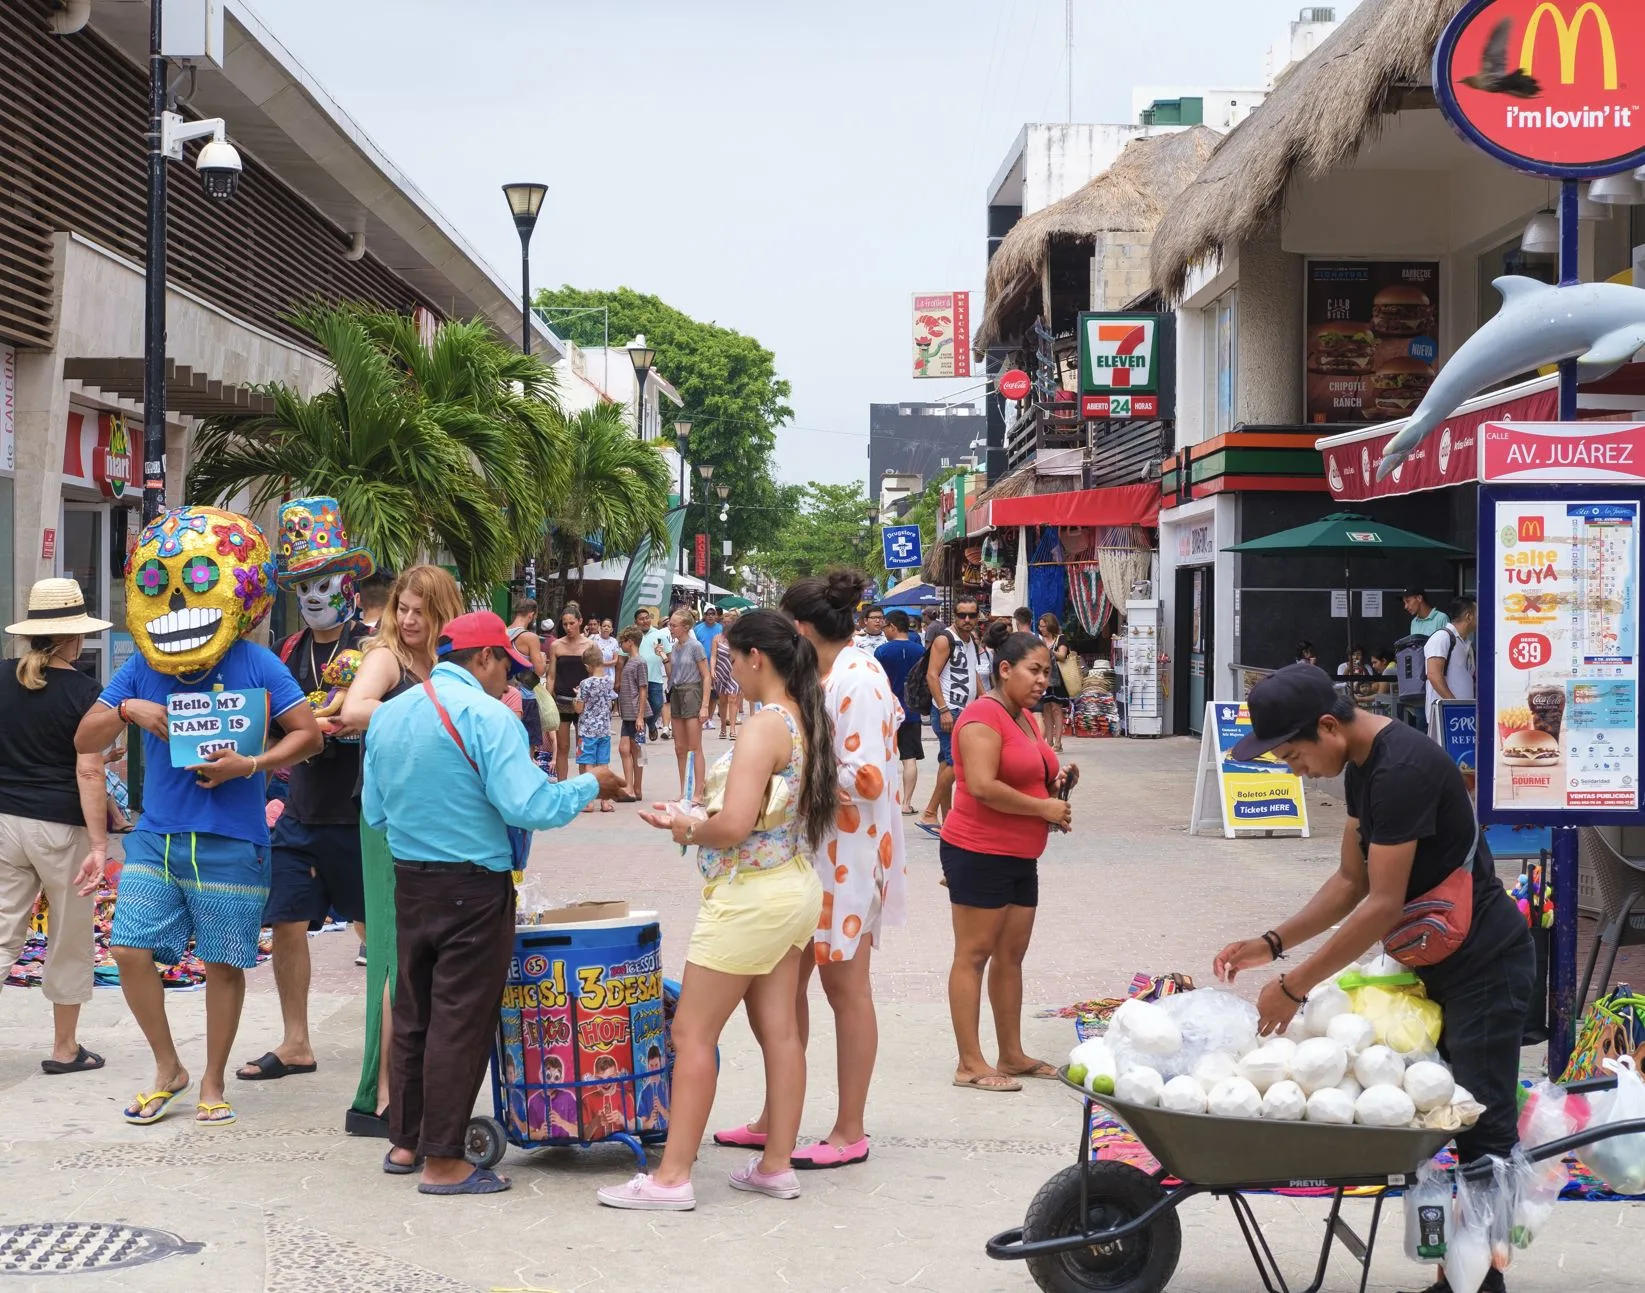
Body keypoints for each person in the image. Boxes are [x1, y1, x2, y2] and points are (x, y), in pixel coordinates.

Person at [1212, 663, 1532, 1293]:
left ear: (1328, 726)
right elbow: (1350, 882)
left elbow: (1382, 904)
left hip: (1485, 966)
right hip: (1435, 962)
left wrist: (1296, 983)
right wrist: (1270, 944)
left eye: (1291, 752)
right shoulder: (1363, 768)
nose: (1290, 768)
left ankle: (1480, 1281)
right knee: (1441, 1110)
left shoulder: (1402, 770)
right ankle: (1460, 1274)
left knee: (1483, 1125)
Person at [77, 506, 324, 1128]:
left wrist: (252, 764)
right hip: (158, 835)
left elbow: (310, 737)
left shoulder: (257, 662)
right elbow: (85, 737)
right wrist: (131, 708)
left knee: (223, 962)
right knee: (128, 950)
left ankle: (212, 1078)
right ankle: (169, 1068)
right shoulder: (143, 666)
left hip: (232, 838)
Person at [366, 610, 624, 1194]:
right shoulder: (488, 717)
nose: (508, 676)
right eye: (506, 663)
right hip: (472, 887)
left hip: (410, 881)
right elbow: (527, 806)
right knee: (460, 1019)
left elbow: (375, 813)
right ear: (483, 658)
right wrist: (591, 783)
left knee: (414, 1012)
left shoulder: (389, 716)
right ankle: (444, 1160)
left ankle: (406, 1142)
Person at [598, 609, 831, 1210]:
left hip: (752, 897)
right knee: (780, 1031)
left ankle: (672, 1177)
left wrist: (684, 825)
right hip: (791, 885)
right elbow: (760, 817)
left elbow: (732, 825)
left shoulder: (763, 727)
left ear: (757, 659)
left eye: (732, 656)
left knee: (691, 1032)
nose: (727, 669)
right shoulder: (801, 718)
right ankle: (777, 1165)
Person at [722, 572, 907, 1169]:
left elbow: (870, 775)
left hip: (849, 854)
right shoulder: (834, 675)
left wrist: (792, 776)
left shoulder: (856, 678)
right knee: (786, 984)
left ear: (799, 630)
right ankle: (780, 1118)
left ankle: (849, 1128)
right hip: (821, 851)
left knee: (844, 987)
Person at [239, 497, 376, 1084]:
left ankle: (390, 1040)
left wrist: (334, 726)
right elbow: (270, 718)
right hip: (300, 812)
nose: (314, 595)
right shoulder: (287, 652)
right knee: (287, 921)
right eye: (302, 586)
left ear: (349, 582)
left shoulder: (374, 648)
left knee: (379, 930)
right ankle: (296, 1041)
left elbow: (383, 716)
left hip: (360, 812)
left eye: (324, 582)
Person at [340, 564, 465, 1137]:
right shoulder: (386, 655)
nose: (410, 619)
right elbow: (354, 710)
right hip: (388, 820)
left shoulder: (446, 661)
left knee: (420, 956)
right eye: (404, 608)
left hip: (437, 820)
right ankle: (385, 1092)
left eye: (421, 610)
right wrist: (420, 710)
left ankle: (406, 1087)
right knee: (392, 955)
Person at [941, 632, 1072, 1091]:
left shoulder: (1025, 719)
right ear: (1004, 669)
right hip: (979, 850)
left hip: (1020, 853)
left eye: (1046, 672)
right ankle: (970, 1064)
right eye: (1034, 670)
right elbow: (979, 785)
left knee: (1011, 957)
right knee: (973, 955)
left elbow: (1026, 777)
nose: (1042, 680)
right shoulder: (982, 716)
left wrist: (1055, 789)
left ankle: (1011, 1054)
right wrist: (1043, 809)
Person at [0, 580, 112, 1075]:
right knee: (68, 936)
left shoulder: (2, 677)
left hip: (5, 820)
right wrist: (100, 842)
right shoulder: (87, 693)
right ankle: (65, 1049)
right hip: (59, 827)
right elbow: (88, 769)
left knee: (3, 932)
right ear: (75, 638)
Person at [919, 598, 992, 832]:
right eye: (962, 615)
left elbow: (973, 675)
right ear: (954, 615)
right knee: (956, 763)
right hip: (950, 709)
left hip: (963, 710)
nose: (967, 620)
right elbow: (932, 676)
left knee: (947, 763)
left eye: (972, 615)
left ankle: (946, 818)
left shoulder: (970, 640)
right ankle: (929, 813)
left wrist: (986, 700)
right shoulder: (944, 639)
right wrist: (943, 710)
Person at [875, 610, 926, 815]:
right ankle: (906, 803)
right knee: (909, 759)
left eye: (885, 626)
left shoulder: (882, 651)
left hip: (887, 711)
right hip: (912, 712)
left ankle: (884, 801)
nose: (884, 630)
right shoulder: (920, 651)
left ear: (893, 627)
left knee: (882, 758)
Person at [667, 608, 711, 794]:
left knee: (695, 746)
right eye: (670, 625)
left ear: (685, 627)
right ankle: (684, 790)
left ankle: (698, 792)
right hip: (676, 692)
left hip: (692, 692)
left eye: (674, 625)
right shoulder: (675, 647)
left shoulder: (695, 646)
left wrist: (705, 706)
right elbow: (672, 674)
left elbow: (706, 676)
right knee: (679, 747)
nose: (670, 628)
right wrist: (664, 659)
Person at [550, 606, 593, 783]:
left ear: (580, 621)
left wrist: (592, 700)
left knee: (583, 746)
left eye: (572, 623)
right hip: (561, 699)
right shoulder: (556, 645)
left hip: (584, 702)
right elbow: (551, 675)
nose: (568, 627)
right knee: (562, 746)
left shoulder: (590, 645)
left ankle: (583, 787)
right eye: (565, 624)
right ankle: (562, 786)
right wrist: (548, 700)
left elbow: (594, 673)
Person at [1424, 597, 1477, 736]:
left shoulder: (1467, 645)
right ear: (1469, 616)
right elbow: (1434, 675)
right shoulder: (1442, 637)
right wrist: (1453, 705)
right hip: (1445, 718)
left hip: (1464, 719)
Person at [574, 644, 617, 812]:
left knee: (588, 766)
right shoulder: (609, 681)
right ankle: (605, 802)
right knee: (603, 765)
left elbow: (579, 708)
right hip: (604, 729)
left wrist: (575, 697)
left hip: (587, 730)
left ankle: (589, 801)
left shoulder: (585, 683)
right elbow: (611, 703)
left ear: (588, 666)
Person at [616, 627, 649, 802]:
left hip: (635, 712)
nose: (621, 644)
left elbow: (643, 688)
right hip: (628, 712)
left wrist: (640, 715)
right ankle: (632, 786)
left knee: (637, 750)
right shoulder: (631, 661)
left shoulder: (639, 662)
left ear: (630, 642)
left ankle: (635, 787)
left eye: (623, 641)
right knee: (626, 748)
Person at [1038, 613, 1074, 752]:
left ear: (1050, 626)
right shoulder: (1039, 639)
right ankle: (1049, 741)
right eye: (1040, 626)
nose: (1041, 629)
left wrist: (1049, 651)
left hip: (1058, 679)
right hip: (1044, 678)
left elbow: (1062, 656)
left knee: (1056, 709)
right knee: (1046, 709)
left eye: (1044, 626)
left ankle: (1058, 742)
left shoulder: (1061, 639)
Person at [637, 607, 672, 741]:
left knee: (657, 705)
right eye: (641, 619)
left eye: (647, 618)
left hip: (655, 678)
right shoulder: (633, 635)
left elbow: (668, 655)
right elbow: (623, 657)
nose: (645, 621)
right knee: (639, 707)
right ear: (636, 621)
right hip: (637, 679)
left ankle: (651, 725)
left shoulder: (660, 635)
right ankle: (640, 734)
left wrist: (671, 677)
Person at [711, 608, 743, 739]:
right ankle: (723, 727)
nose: (726, 624)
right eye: (724, 622)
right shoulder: (717, 638)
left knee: (733, 698)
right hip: (721, 670)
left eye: (729, 622)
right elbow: (713, 656)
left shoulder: (738, 638)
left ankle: (733, 729)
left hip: (734, 671)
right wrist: (712, 669)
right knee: (723, 701)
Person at [693, 606, 723, 728]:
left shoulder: (721, 628)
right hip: (700, 664)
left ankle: (709, 719)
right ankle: (700, 716)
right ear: (704, 615)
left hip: (717, 665)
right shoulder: (697, 629)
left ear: (716, 615)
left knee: (714, 695)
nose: (710, 616)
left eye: (713, 613)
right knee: (701, 692)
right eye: (708, 613)